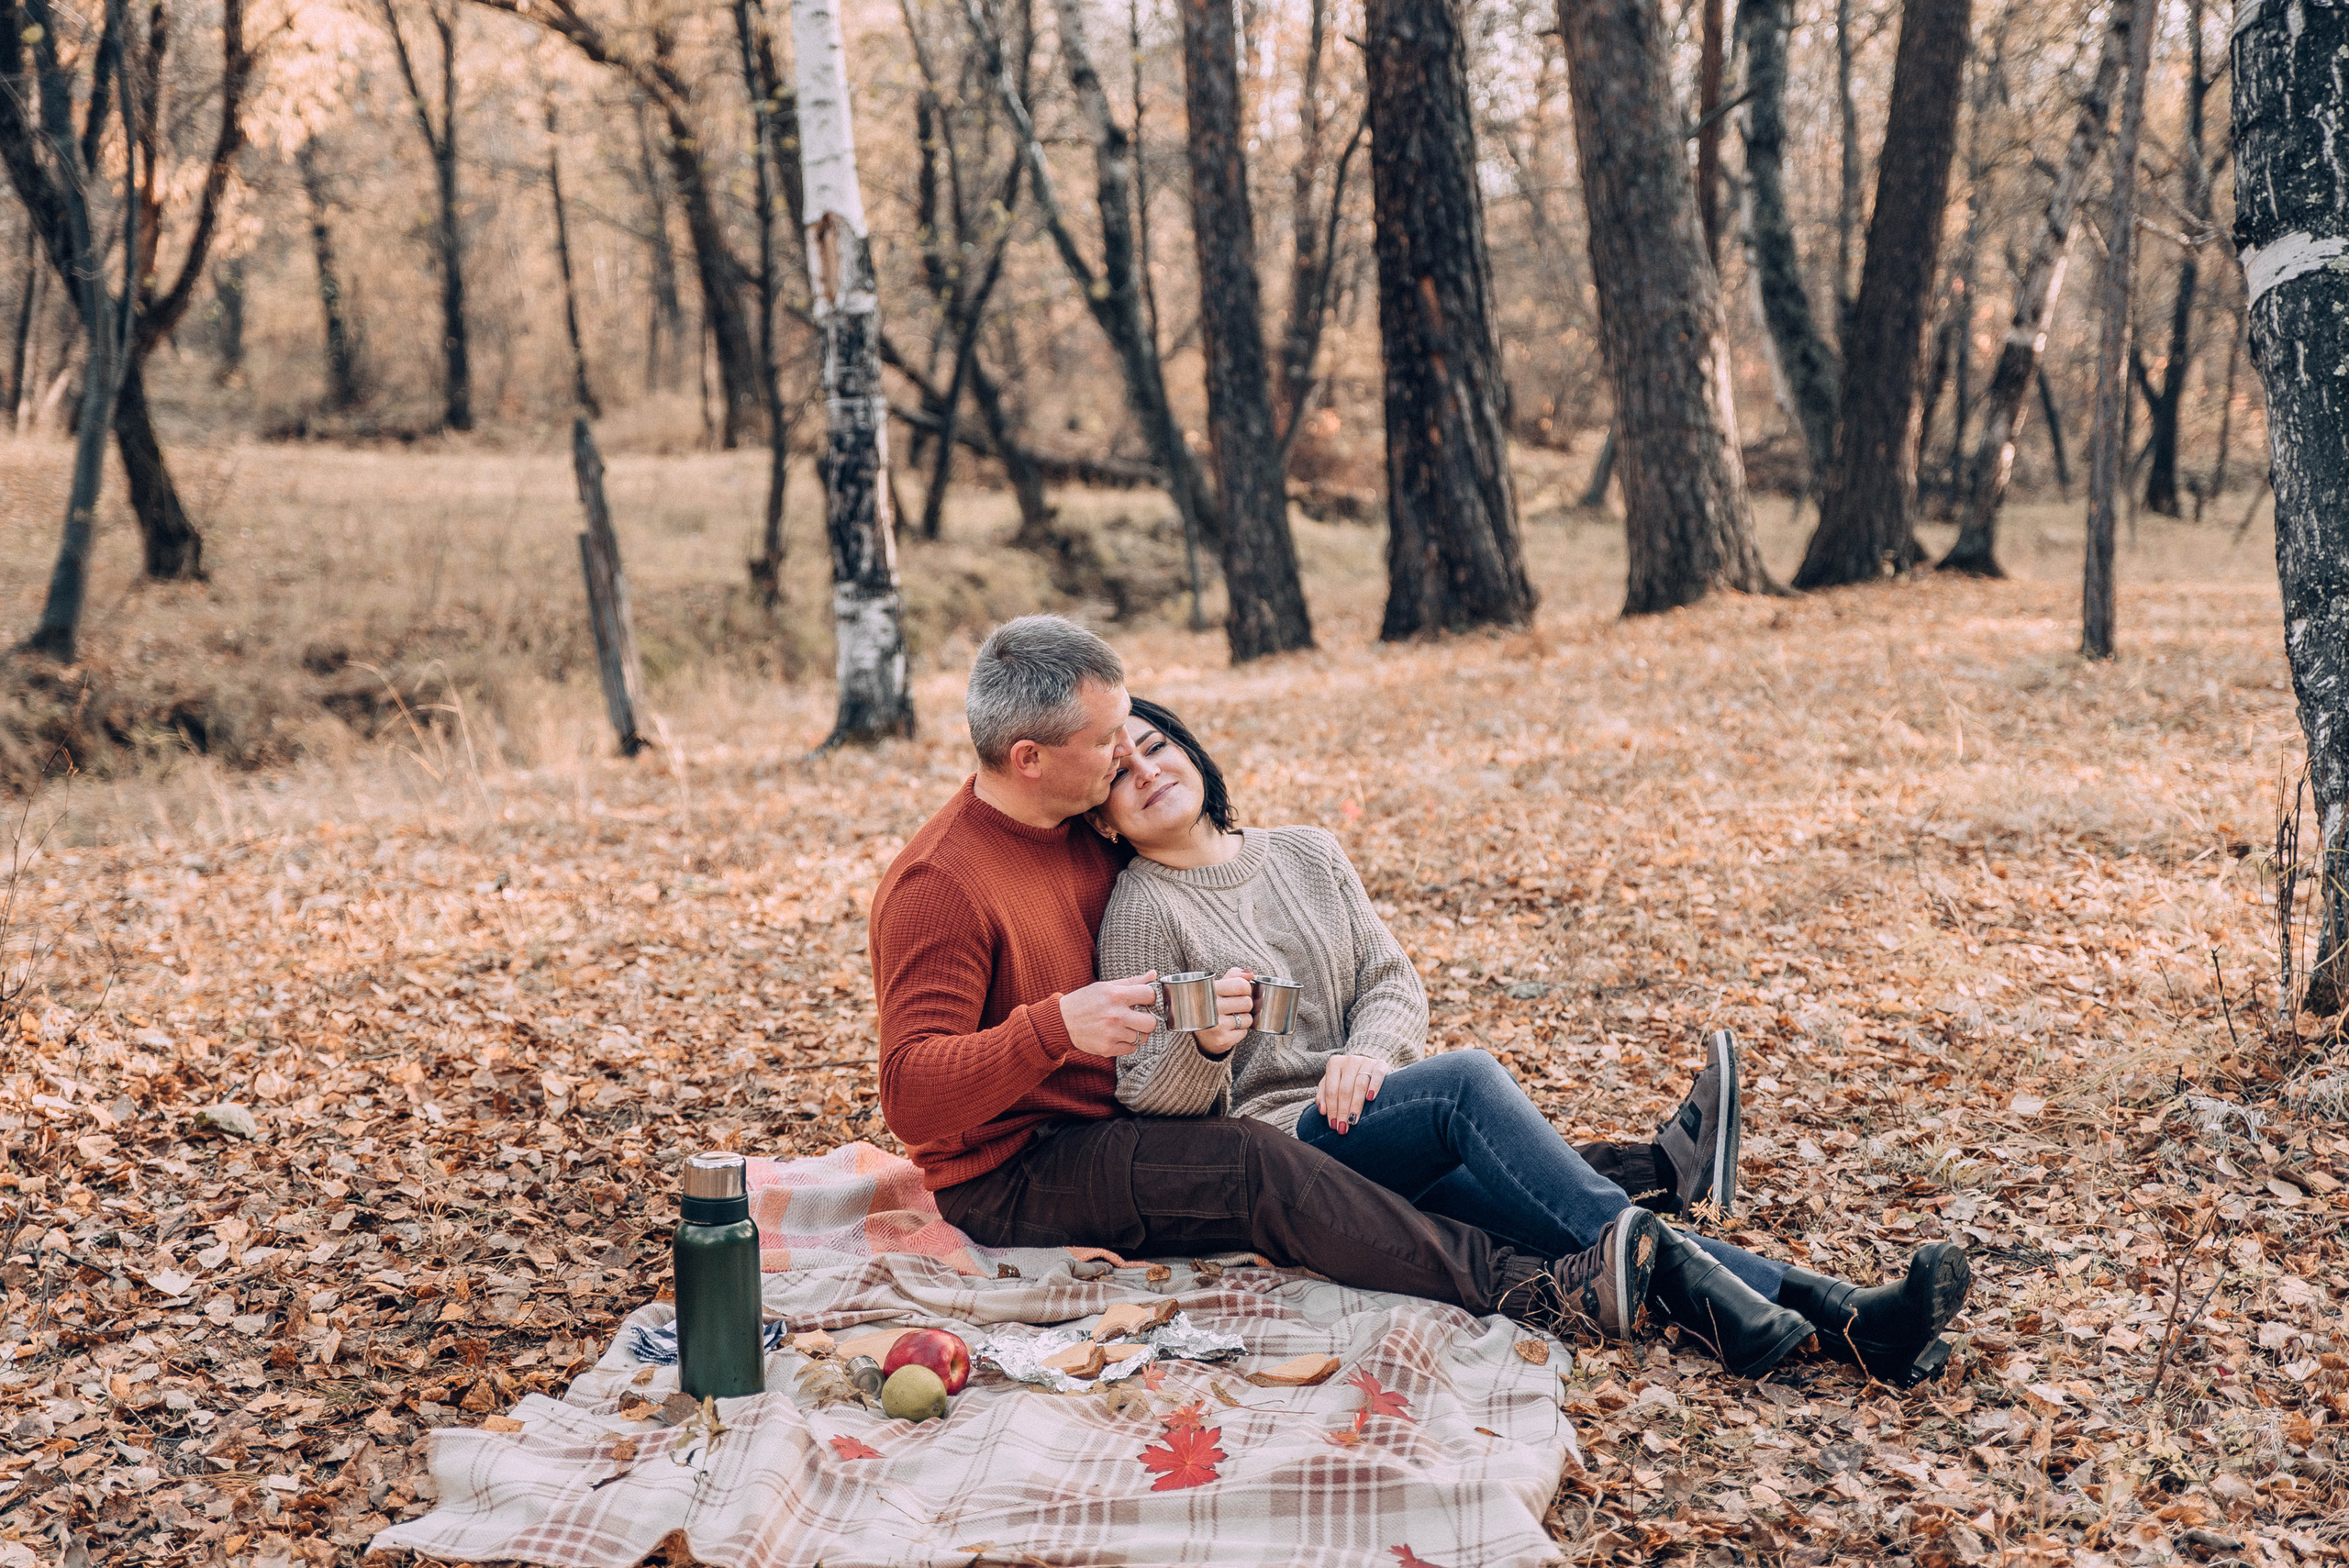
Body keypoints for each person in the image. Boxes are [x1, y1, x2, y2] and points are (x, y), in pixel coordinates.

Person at [1088, 695, 1972, 1387]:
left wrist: (1373, 1053)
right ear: (1104, 820)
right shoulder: (1143, 909)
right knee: (1468, 1082)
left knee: (1558, 1212)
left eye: (1155, 744)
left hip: (1377, 1113)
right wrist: (1203, 1049)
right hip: (1294, 1150)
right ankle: (1712, 1262)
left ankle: (1857, 1322)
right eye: (1122, 772)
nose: (1148, 770)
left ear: (1190, 748)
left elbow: (1391, 980)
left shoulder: (1306, 854)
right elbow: (1140, 1090)